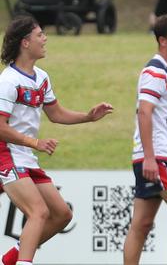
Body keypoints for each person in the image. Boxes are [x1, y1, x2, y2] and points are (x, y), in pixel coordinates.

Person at [0, 16, 113, 265]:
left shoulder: (41, 77)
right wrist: (34, 143)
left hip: (25, 157)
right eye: (40, 34)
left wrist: (88, 117)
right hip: (5, 154)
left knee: (62, 215)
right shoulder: (8, 80)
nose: (45, 38)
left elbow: (56, 113)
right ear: (25, 43)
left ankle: (11, 259)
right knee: (38, 212)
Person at [124, 14, 167, 264]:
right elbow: (145, 111)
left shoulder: (165, 72)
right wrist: (151, 158)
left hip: (152, 157)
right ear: (162, 41)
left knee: (141, 225)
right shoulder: (155, 71)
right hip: (157, 159)